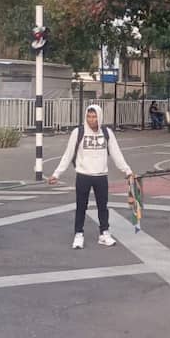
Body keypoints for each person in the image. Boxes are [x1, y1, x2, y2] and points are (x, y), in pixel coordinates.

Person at [49, 104, 134, 249]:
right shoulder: (78, 132)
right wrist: (56, 173)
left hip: (101, 175)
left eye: (94, 116)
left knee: (103, 206)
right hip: (83, 175)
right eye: (89, 116)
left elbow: (116, 153)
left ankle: (104, 233)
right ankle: (78, 234)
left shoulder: (107, 133)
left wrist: (127, 171)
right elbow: (68, 155)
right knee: (81, 206)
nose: (91, 119)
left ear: (99, 117)